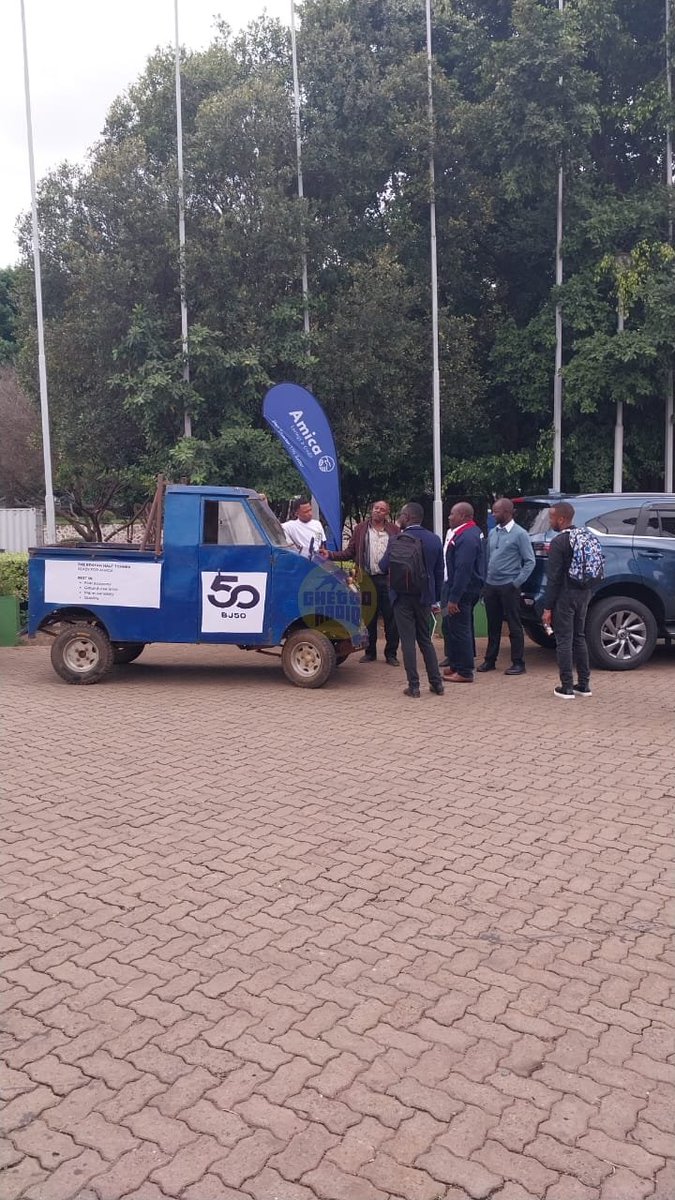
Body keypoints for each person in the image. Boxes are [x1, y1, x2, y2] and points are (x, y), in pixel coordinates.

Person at [321, 500, 400, 665]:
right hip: (367, 580)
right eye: (376, 508)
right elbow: (350, 552)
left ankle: (391, 654)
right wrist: (330, 555)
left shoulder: (394, 530)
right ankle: (370, 652)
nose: (378, 511)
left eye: (382, 509)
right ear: (372, 510)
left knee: (391, 619)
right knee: (368, 617)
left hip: (387, 580)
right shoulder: (361, 529)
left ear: (387, 513)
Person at [380, 502, 444, 698]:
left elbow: (383, 566)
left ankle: (414, 687)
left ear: (407, 517)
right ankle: (437, 684)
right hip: (424, 597)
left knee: (407, 641)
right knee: (425, 640)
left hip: (401, 598)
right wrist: (436, 600)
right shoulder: (434, 540)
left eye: (401, 515)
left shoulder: (396, 539)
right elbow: (439, 572)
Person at [478, 497, 535, 675]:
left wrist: (516, 582)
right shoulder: (494, 532)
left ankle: (518, 662)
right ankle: (490, 660)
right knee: (493, 625)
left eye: (496, 511)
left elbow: (529, 562)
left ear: (508, 513)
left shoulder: (520, 534)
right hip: (491, 585)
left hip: (509, 586)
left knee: (514, 625)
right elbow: (488, 558)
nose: (493, 514)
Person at [542, 501, 593, 699]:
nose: (550, 521)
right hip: (584, 592)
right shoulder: (584, 536)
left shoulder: (559, 542)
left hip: (565, 595)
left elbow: (553, 578)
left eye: (551, 517)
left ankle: (567, 687)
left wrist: (548, 607)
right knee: (579, 637)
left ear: (561, 519)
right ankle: (584, 685)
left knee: (564, 639)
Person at [442, 502, 485, 683]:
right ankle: (456, 664)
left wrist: (454, 598)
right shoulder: (466, 532)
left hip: (462, 590)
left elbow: (463, 569)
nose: (449, 517)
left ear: (463, 516)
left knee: (461, 630)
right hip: (461, 588)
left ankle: (465, 671)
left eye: (452, 514)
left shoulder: (467, 537)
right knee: (453, 628)